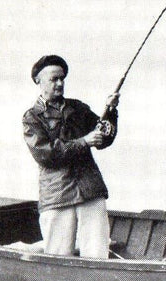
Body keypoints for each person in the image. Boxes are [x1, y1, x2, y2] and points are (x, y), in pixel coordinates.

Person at [22, 54, 119, 259]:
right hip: (57, 195)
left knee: (97, 255)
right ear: (39, 81)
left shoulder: (79, 109)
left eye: (62, 78)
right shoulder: (31, 118)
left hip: (90, 190)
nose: (60, 83)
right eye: (54, 79)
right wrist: (84, 142)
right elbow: (45, 154)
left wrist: (110, 112)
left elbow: (104, 139)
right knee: (58, 256)